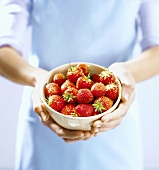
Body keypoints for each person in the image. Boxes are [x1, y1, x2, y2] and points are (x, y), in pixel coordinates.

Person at [0, 0, 159, 170]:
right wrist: (39, 78)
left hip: (116, 117)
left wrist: (125, 72)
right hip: (46, 112)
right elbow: (4, 48)